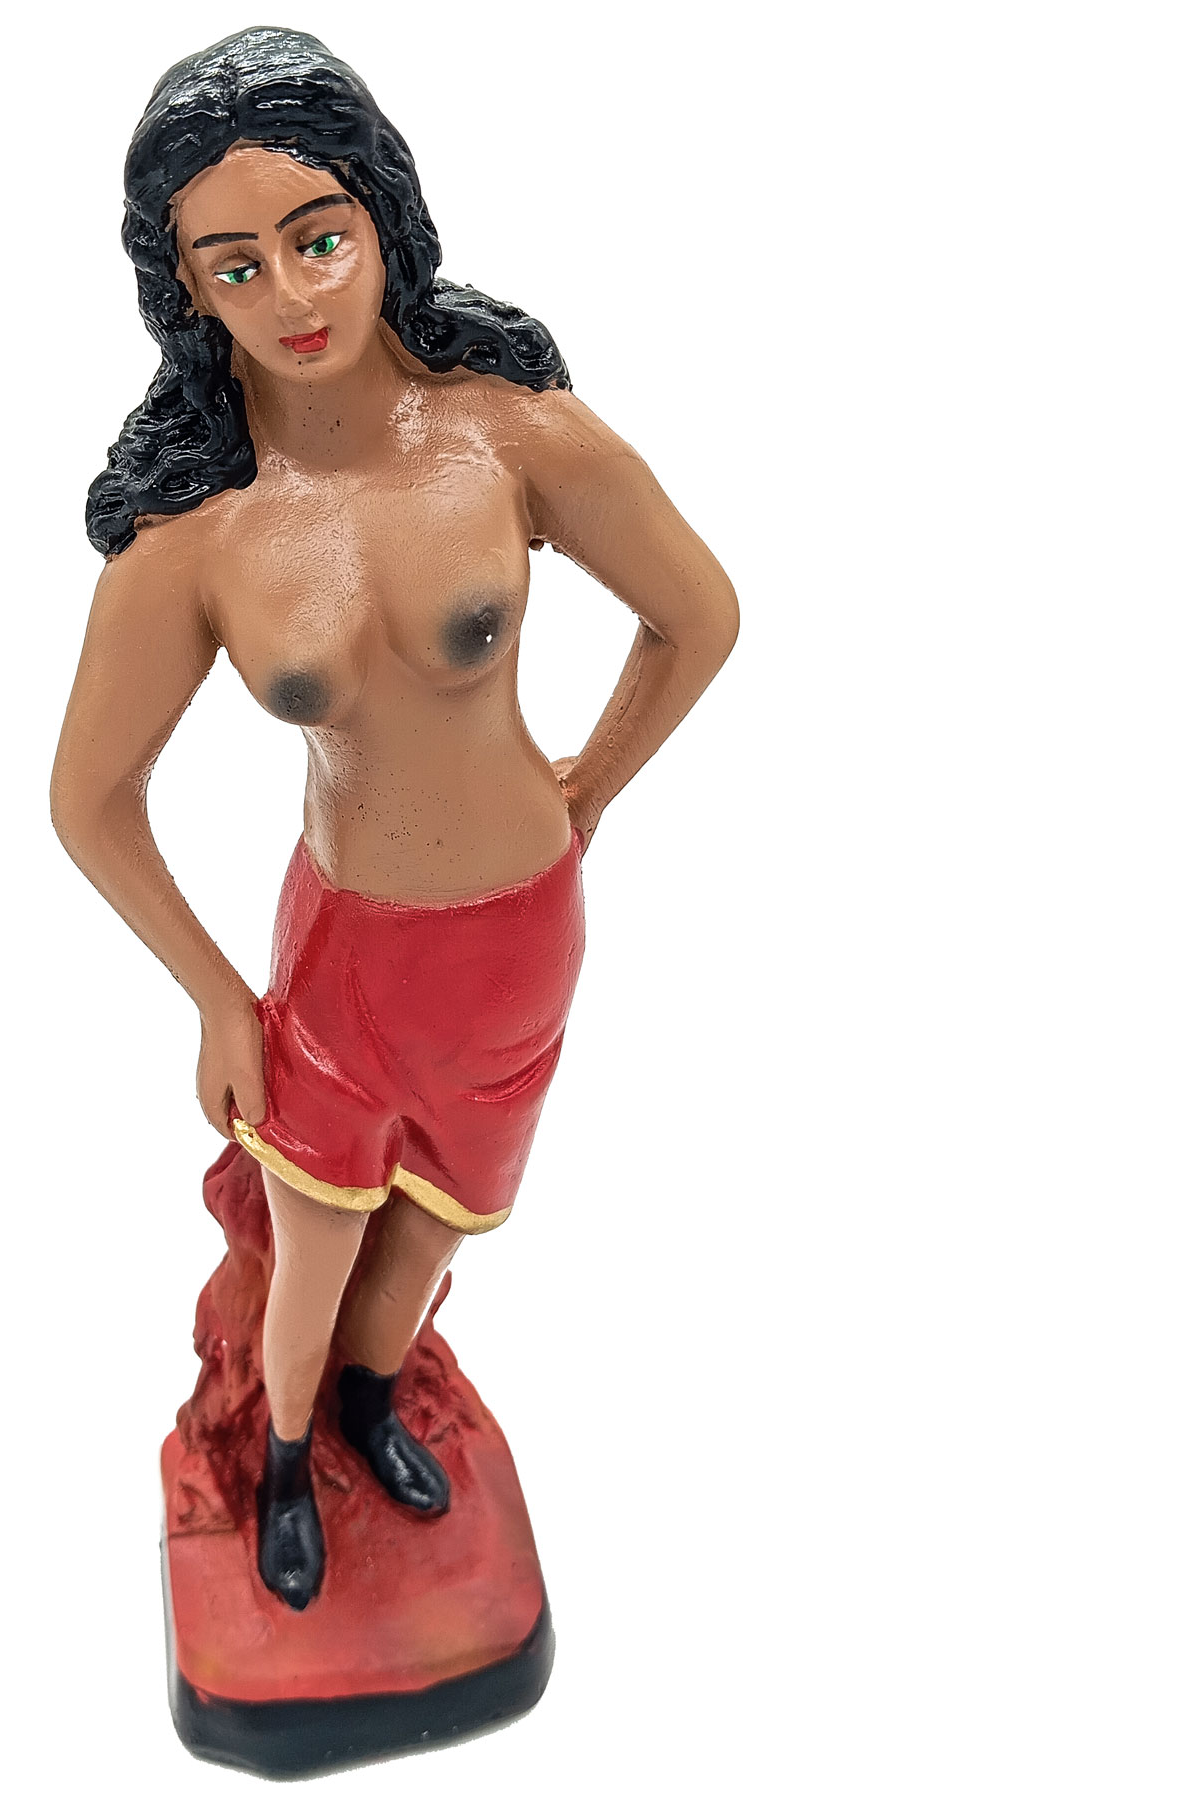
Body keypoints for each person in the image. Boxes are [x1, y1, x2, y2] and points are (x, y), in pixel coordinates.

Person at [51, 29, 738, 1611]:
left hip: (520, 936)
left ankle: (375, 1401)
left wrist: (586, 791)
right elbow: (88, 798)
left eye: (320, 238)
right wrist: (218, 998)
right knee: (311, 1242)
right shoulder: (194, 537)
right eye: (236, 267)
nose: (293, 295)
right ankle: (288, 1458)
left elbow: (698, 615)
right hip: (345, 957)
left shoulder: (509, 434)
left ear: (383, 219)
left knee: (435, 1234)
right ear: (185, 293)